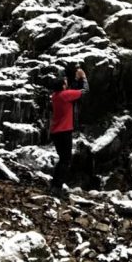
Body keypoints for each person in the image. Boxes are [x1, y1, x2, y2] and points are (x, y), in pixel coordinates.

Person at [49, 65, 88, 197]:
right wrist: (83, 77)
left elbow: (72, 92)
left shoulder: (55, 96)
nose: (66, 82)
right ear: (63, 86)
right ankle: (57, 188)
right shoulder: (66, 95)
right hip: (64, 132)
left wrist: (76, 81)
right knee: (66, 160)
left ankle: (54, 184)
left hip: (55, 132)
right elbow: (85, 91)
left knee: (62, 159)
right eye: (65, 82)